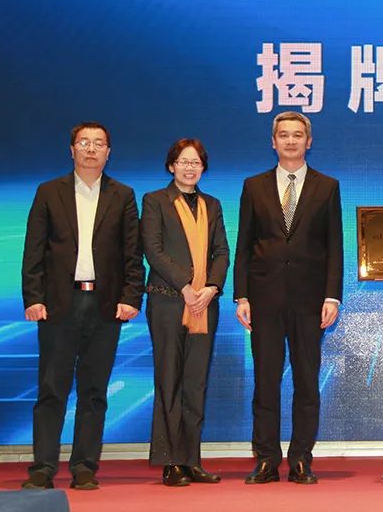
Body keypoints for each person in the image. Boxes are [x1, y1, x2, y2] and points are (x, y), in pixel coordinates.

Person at [20, 122, 144, 490]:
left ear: (108, 152)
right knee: (51, 388)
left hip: (105, 306)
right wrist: (33, 298)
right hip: (59, 304)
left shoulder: (123, 195)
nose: (91, 149)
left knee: (94, 390)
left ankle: (85, 466)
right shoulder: (49, 192)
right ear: (71, 149)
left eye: (98, 143)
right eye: (84, 142)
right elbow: (34, 249)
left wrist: (130, 297)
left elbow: (132, 253)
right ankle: (43, 467)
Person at [234, 112, 343, 485]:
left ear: (308, 142)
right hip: (264, 299)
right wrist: (241, 295)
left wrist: (332, 296)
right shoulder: (254, 186)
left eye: (298, 135)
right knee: (266, 383)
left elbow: (334, 247)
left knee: (307, 383)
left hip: (310, 301)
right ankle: (266, 459)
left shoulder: (327, 186)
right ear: (273, 142)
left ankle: (300, 459)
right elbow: (244, 244)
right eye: (284, 135)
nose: (291, 141)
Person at [141, 139, 229, 487]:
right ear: (171, 166)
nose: (189, 168)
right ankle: (171, 461)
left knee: (196, 382)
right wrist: (186, 286)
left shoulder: (212, 205)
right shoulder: (155, 201)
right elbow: (153, 250)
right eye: (183, 162)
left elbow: (222, 251)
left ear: (203, 168)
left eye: (196, 163)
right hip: (168, 302)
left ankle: (191, 460)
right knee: (169, 380)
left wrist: (211, 287)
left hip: (204, 305)